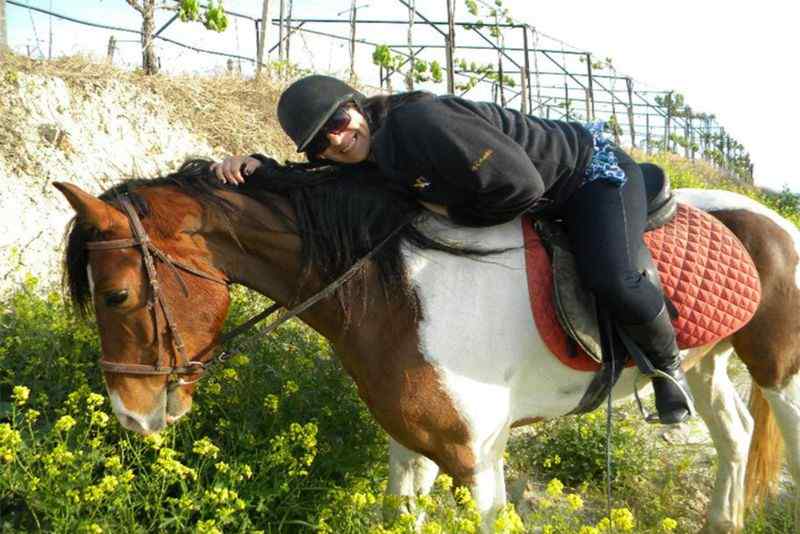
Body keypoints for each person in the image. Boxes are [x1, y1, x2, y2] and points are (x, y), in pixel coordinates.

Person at [212, 74, 694, 425]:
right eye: (320, 142)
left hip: (586, 176)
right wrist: (261, 169)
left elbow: (521, 188)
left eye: (338, 121)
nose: (337, 140)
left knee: (612, 276)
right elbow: (322, 183)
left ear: (356, 105)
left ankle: (669, 370)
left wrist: (449, 212)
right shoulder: (367, 153)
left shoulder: (421, 122)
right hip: (533, 191)